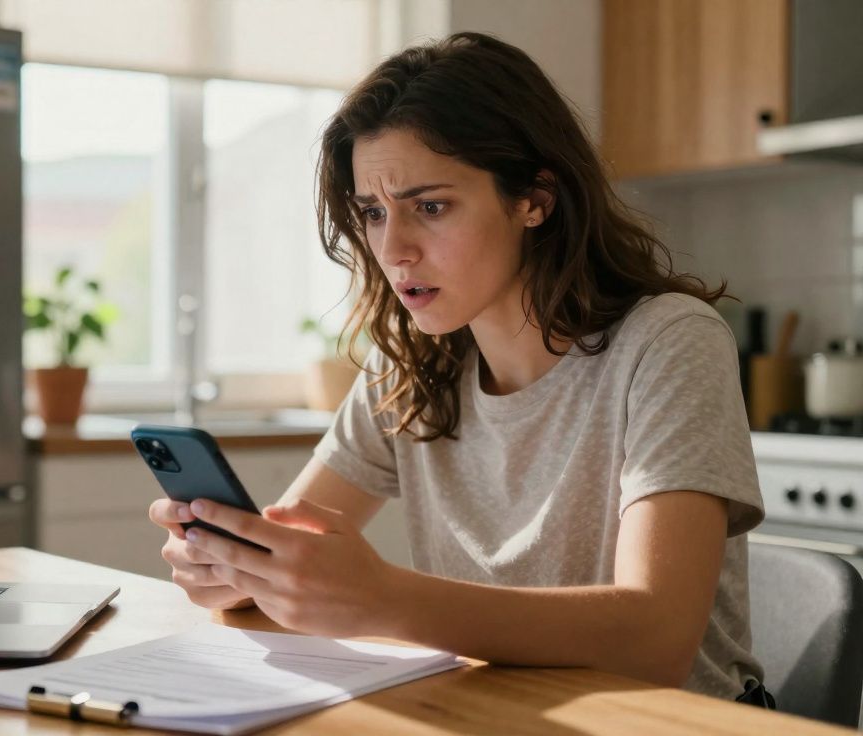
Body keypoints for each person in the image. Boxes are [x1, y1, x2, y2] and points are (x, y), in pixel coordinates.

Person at [147, 32, 771, 706]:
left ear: (535, 199)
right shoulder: (408, 365)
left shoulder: (669, 341)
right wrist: (234, 569)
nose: (394, 248)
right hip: (496, 714)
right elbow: (289, 556)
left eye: (430, 207)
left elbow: (656, 641)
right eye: (373, 212)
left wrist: (386, 599)